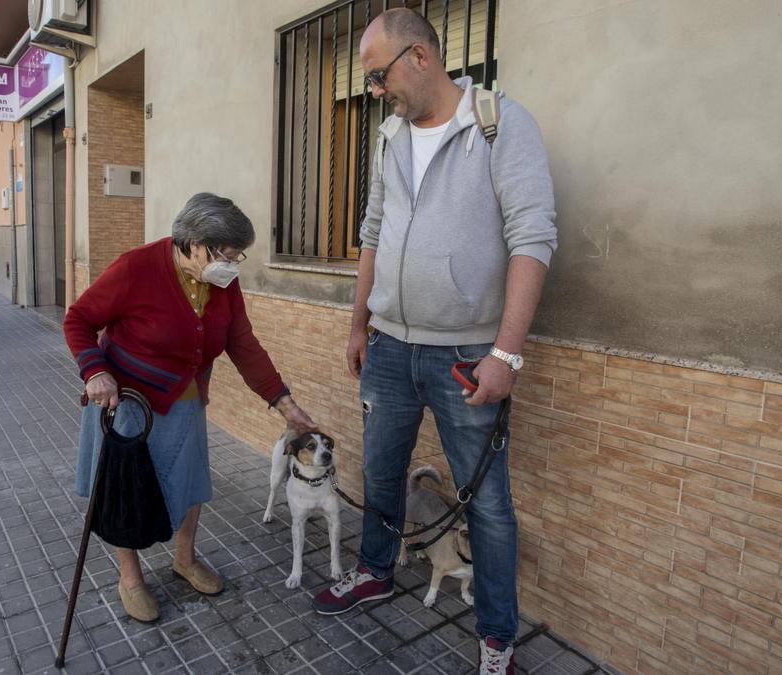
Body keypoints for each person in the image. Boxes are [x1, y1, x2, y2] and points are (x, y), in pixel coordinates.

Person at [310, 9, 557, 674]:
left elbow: (533, 236)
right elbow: (371, 232)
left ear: (420, 57)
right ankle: (375, 570)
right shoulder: (389, 136)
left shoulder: (499, 124)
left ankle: (498, 635)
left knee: (490, 502)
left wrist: (505, 354)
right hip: (389, 345)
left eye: (377, 75)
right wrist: (359, 323)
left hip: (465, 357)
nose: (374, 90)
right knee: (381, 470)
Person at [65, 192, 317, 622]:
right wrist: (94, 371)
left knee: (190, 484)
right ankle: (130, 578)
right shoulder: (135, 268)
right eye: (228, 254)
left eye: (240, 256)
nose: (234, 264)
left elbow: (242, 344)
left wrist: (283, 402)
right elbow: (78, 320)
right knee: (122, 491)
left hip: (185, 403)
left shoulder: (222, 282)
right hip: (127, 405)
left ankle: (185, 559)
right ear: (195, 243)